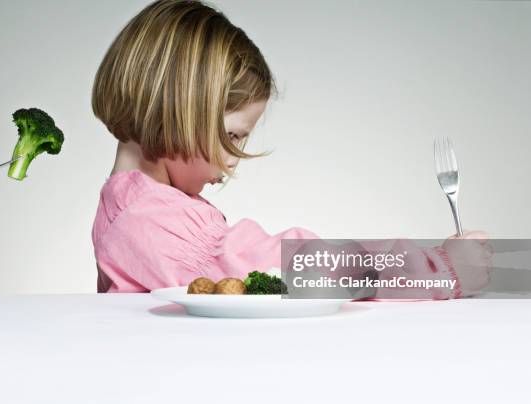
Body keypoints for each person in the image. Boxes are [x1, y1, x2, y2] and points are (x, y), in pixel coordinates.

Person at [90, 0, 492, 296]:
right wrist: (441, 269)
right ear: (174, 108)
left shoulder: (133, 207)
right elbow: (303, 270)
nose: (231, 163)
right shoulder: (148, 218)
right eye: (231, 136)